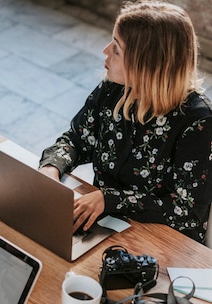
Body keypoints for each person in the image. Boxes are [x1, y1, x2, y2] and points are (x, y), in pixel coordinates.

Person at [38, 1, 212, 245]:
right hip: (102, 226)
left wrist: (109, 199)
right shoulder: (113, 89)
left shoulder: (197, 121)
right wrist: (51, 168)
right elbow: (77, 140)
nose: (105, 50)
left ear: (147, 63)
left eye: (116, 49)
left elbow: (187, 213)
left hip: (161, 244)